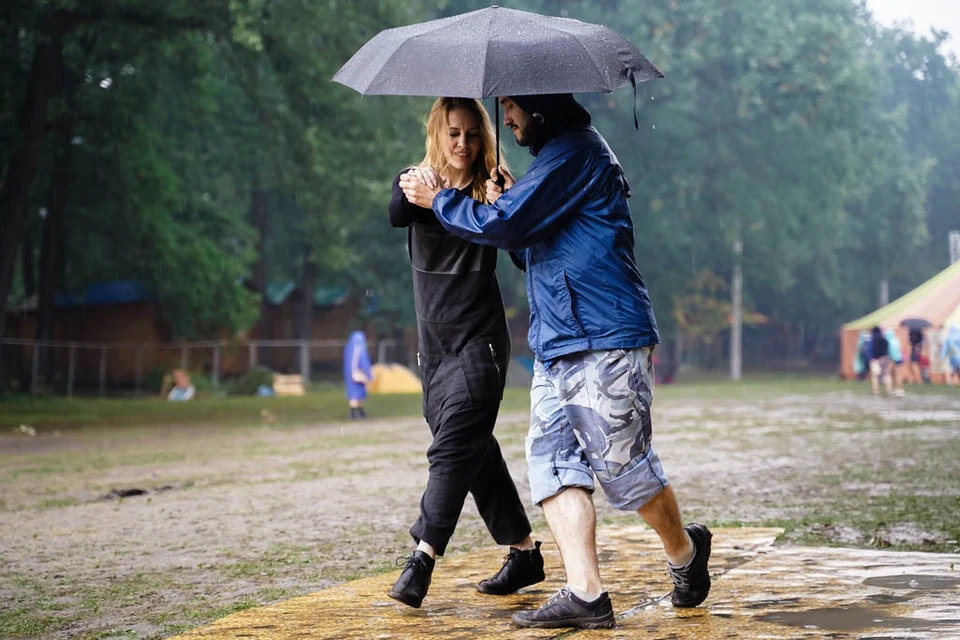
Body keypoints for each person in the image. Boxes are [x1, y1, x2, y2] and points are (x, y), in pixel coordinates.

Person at [401, 93, 711, 629]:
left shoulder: (576, 154)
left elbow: (508, 229)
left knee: (624, 471)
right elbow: (528, 249)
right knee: (551, 464)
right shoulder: (550, 164)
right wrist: (504, 201)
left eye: (512, 108)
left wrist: (445, 203)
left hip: (605, 335)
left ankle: (685, 552)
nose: (509, 119)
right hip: (556, 343)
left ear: (538, 109)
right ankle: (587, 593)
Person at [386, 97, 544, 609]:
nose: (463, 144)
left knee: (453, 447)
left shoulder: (493, 191)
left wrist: (507, 202)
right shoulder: (415, 183)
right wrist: (423, 188)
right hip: (433, 352)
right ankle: (524, 553)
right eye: (453, 133)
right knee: (474, 451)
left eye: (473, 134)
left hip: (482, 344)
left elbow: (524, 255)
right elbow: (396, 212)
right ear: (438, 132)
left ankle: (423, 556)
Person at [343, 330, 372, 419]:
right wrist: (354, 372)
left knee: (360, 392)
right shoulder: (356, 348)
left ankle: (359, 411)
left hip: (360, 372)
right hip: (355, 373)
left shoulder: (356, 347)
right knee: (354, 393)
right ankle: (354, 412)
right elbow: (354, 362)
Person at [868, 325, 891, 396]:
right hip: (885, 358)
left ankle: (876, 390)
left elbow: (870, 350)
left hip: (875, 359)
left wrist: (871, 358)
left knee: (875, 376)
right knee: (886, 375)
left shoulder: (873, 340)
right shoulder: (885, 340)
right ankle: (888, 390)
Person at [884, 327, 905, 397]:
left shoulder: (890, 342)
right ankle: (899, 389)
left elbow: (891, 353)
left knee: (891, 374)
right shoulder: (896, 340)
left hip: (893, 359)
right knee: (898, 375)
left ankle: (894, 389)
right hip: (899, 359)